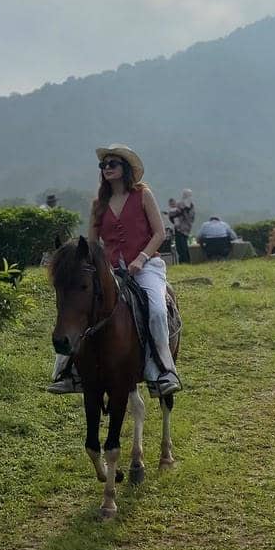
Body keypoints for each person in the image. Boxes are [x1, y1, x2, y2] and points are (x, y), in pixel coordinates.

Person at [47, 144, 182, 398]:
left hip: (146, 267)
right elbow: (92, 245)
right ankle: (67, 372)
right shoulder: (99, 203)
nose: (107, 168)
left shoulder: (143, 195)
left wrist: (141, 259)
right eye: (103, 165)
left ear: (125, 169)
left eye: (112, 164)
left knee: (155, 310)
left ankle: (164, 371)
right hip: (110, 271)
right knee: (77, 309)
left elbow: (159, 233)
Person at [171, 189, 195, 264]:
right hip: (179, 227)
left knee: (183, 246)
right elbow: (173, 215)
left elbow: (190, 217)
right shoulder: (180, 204)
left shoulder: (190, 206)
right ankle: (183, 261)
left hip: (184, 228)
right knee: (180, 246)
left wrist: (183, 211)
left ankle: (186, 261)